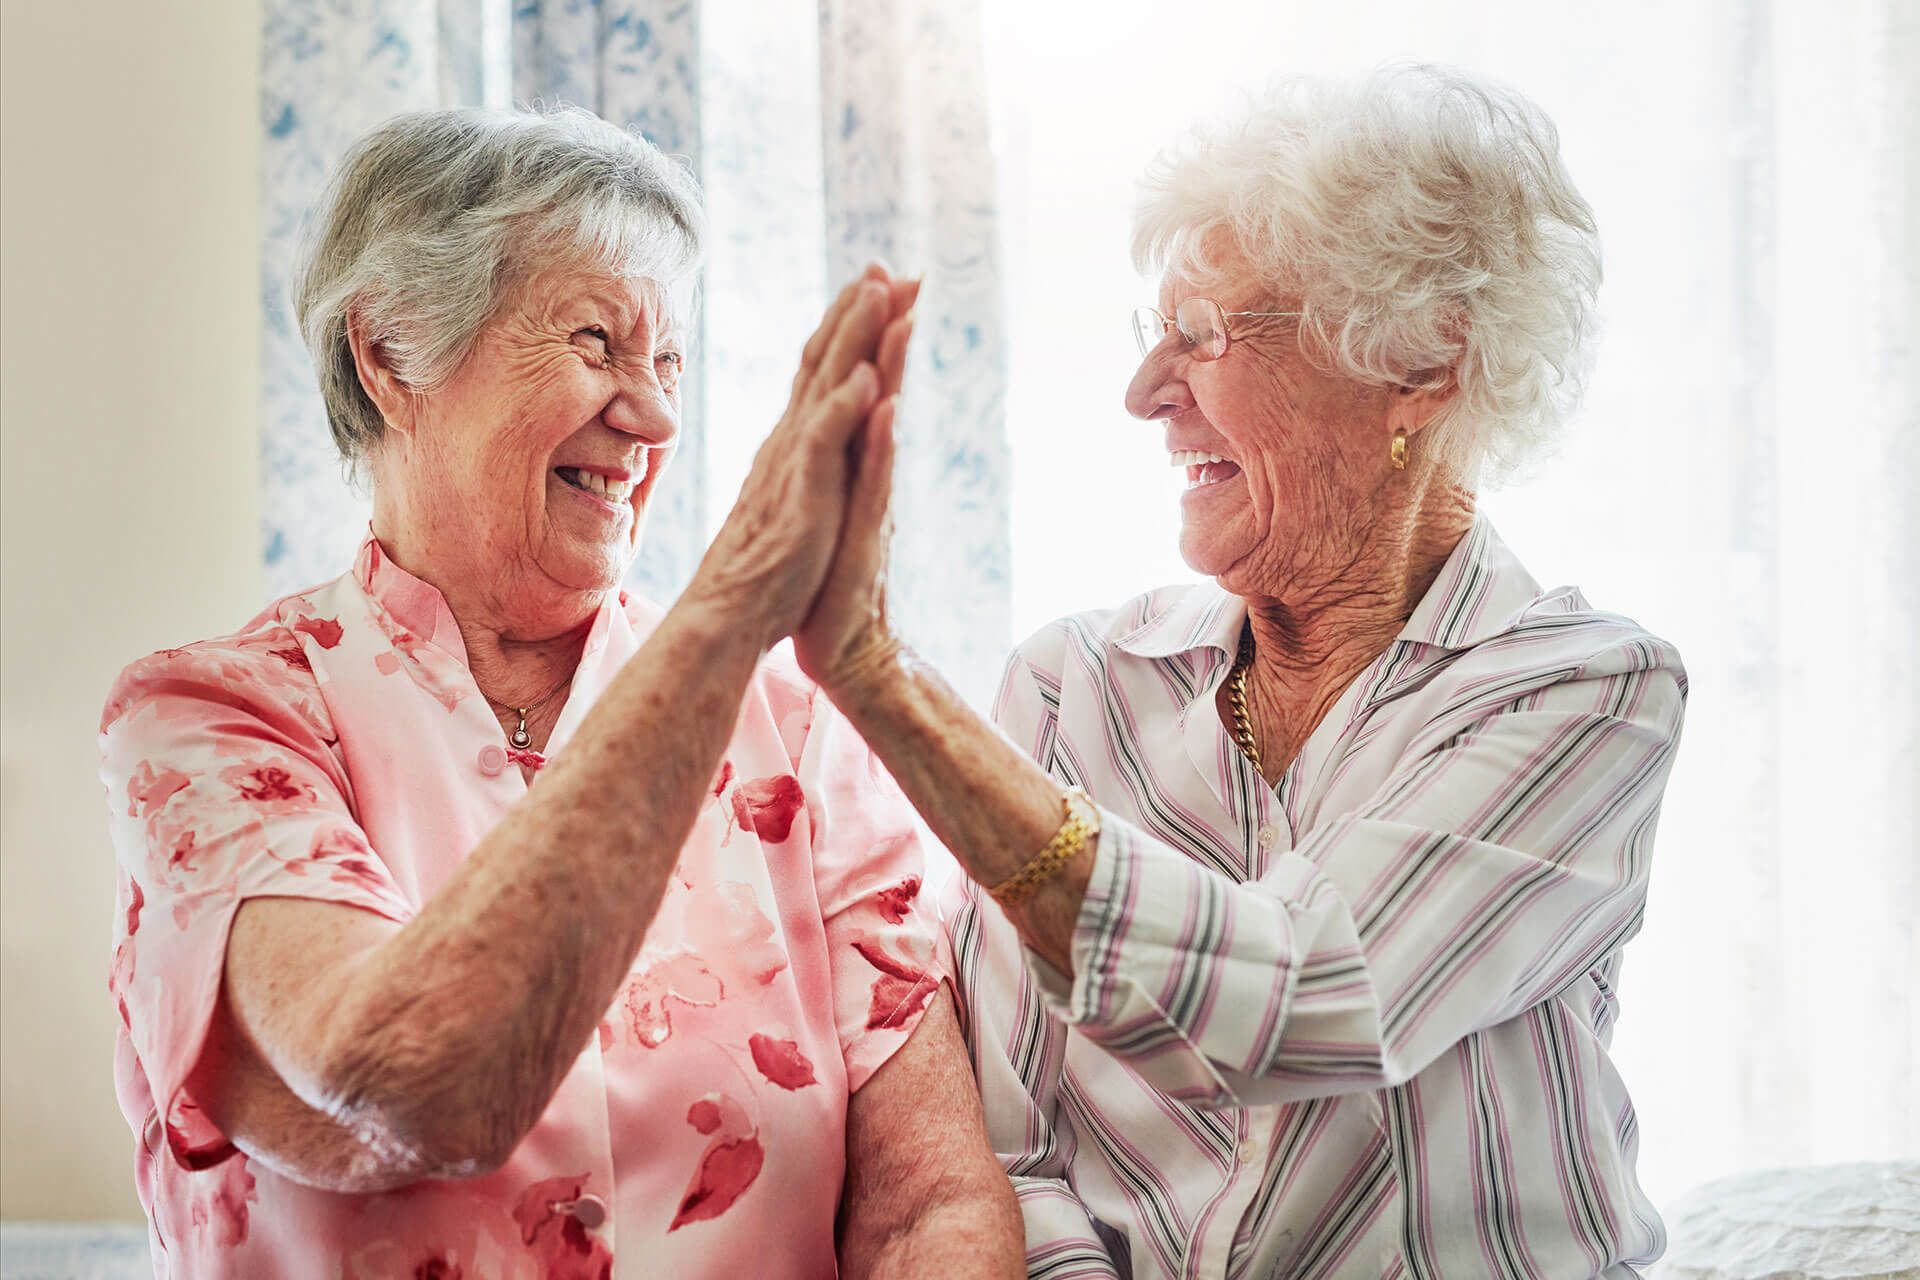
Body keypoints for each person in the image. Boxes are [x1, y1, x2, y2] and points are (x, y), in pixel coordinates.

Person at [792, 65, 1689, 1277]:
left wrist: (879, 680)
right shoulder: (1072, 687)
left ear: (1420, 364)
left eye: (1204, 334)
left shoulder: (1585, 692)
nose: (1145, 393)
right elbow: (1015, 1150)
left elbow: (1301, 998)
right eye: (1153, 331)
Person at [100, 105, 1021, 1278]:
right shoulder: (216, 720)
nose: (655, 414)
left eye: (670, 359)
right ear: (388, 356)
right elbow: (411, 1087)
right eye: (596, 343)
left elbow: (927, 1207)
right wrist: (735, 602)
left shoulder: (801, 735)